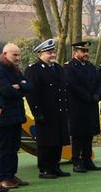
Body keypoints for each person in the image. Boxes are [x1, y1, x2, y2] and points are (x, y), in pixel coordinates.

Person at [25, 39, 71, 179]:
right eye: (49, 52)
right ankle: (45, 168)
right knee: (46, 142)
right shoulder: (34, 70)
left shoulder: (58, 69)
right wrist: (37, 112)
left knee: (57, 141)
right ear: (40, 54)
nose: (52, 54)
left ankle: (55, 166)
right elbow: (32, 93)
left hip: (59, 111)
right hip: (45, 112)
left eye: (53, 52)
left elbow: (63, 90)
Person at [0, 42, 29, 188]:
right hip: (6, 116)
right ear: (5, 54)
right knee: (4, 147)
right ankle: (4, 177)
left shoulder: (15, 70)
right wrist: (20, 86)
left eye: (19, 55)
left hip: (16, 114)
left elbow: (29, 86)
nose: (18, 58)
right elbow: (5, 91)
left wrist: (18, 86)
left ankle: (11, 174)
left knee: (14, 147)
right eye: (15, 55)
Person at [64, 41, 101, 173]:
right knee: (78, 135)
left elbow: (98, 83)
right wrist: (88, 96)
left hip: (91, 106)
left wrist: (98, 94)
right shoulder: (69, 67)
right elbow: (72, 85)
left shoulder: (91, 66)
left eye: (87, 51)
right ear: (75, 52)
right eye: (83, 51)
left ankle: (87, 159)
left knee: (89, 134)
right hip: (77, 106)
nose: (86, 54)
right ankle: (76, 161)